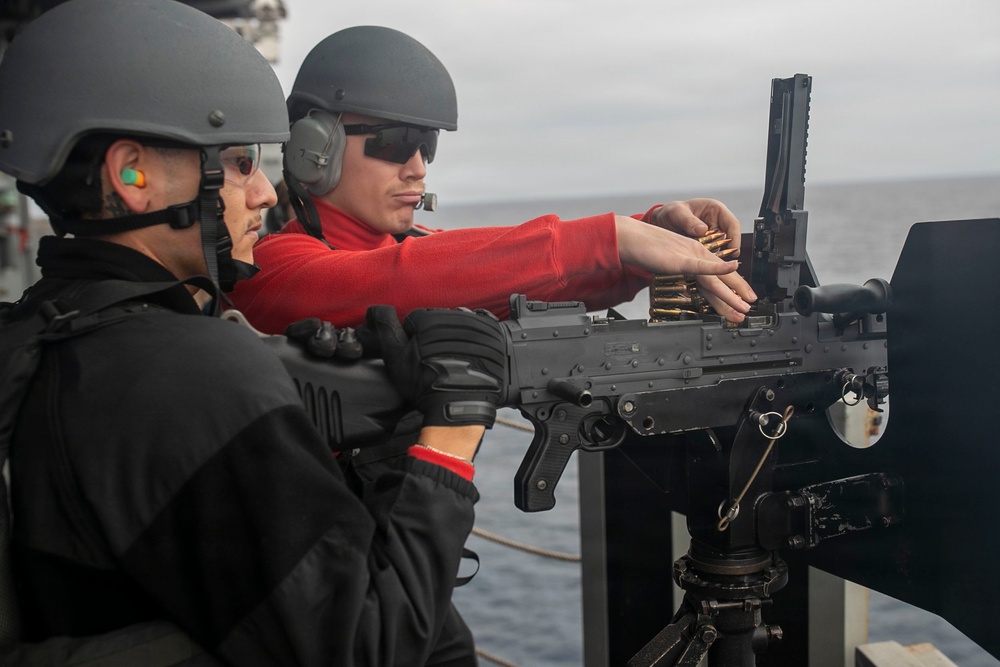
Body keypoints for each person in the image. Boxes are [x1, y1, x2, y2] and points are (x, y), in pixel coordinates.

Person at [0, 1, 506, 665]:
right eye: (238, 162)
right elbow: (371, 647)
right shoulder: (191, 371)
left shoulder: (44, 328)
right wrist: (450, 435)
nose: (266, 194)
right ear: (133, 176)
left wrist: (385, 440)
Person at [227, 26, 757, 334]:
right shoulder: (271, 269)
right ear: (314, 150)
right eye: (393, 142)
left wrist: (652, 231)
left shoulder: (425, 253)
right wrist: (611, 235)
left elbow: (534, 280)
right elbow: (397, 279)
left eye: (426, 144)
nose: (418, 167)